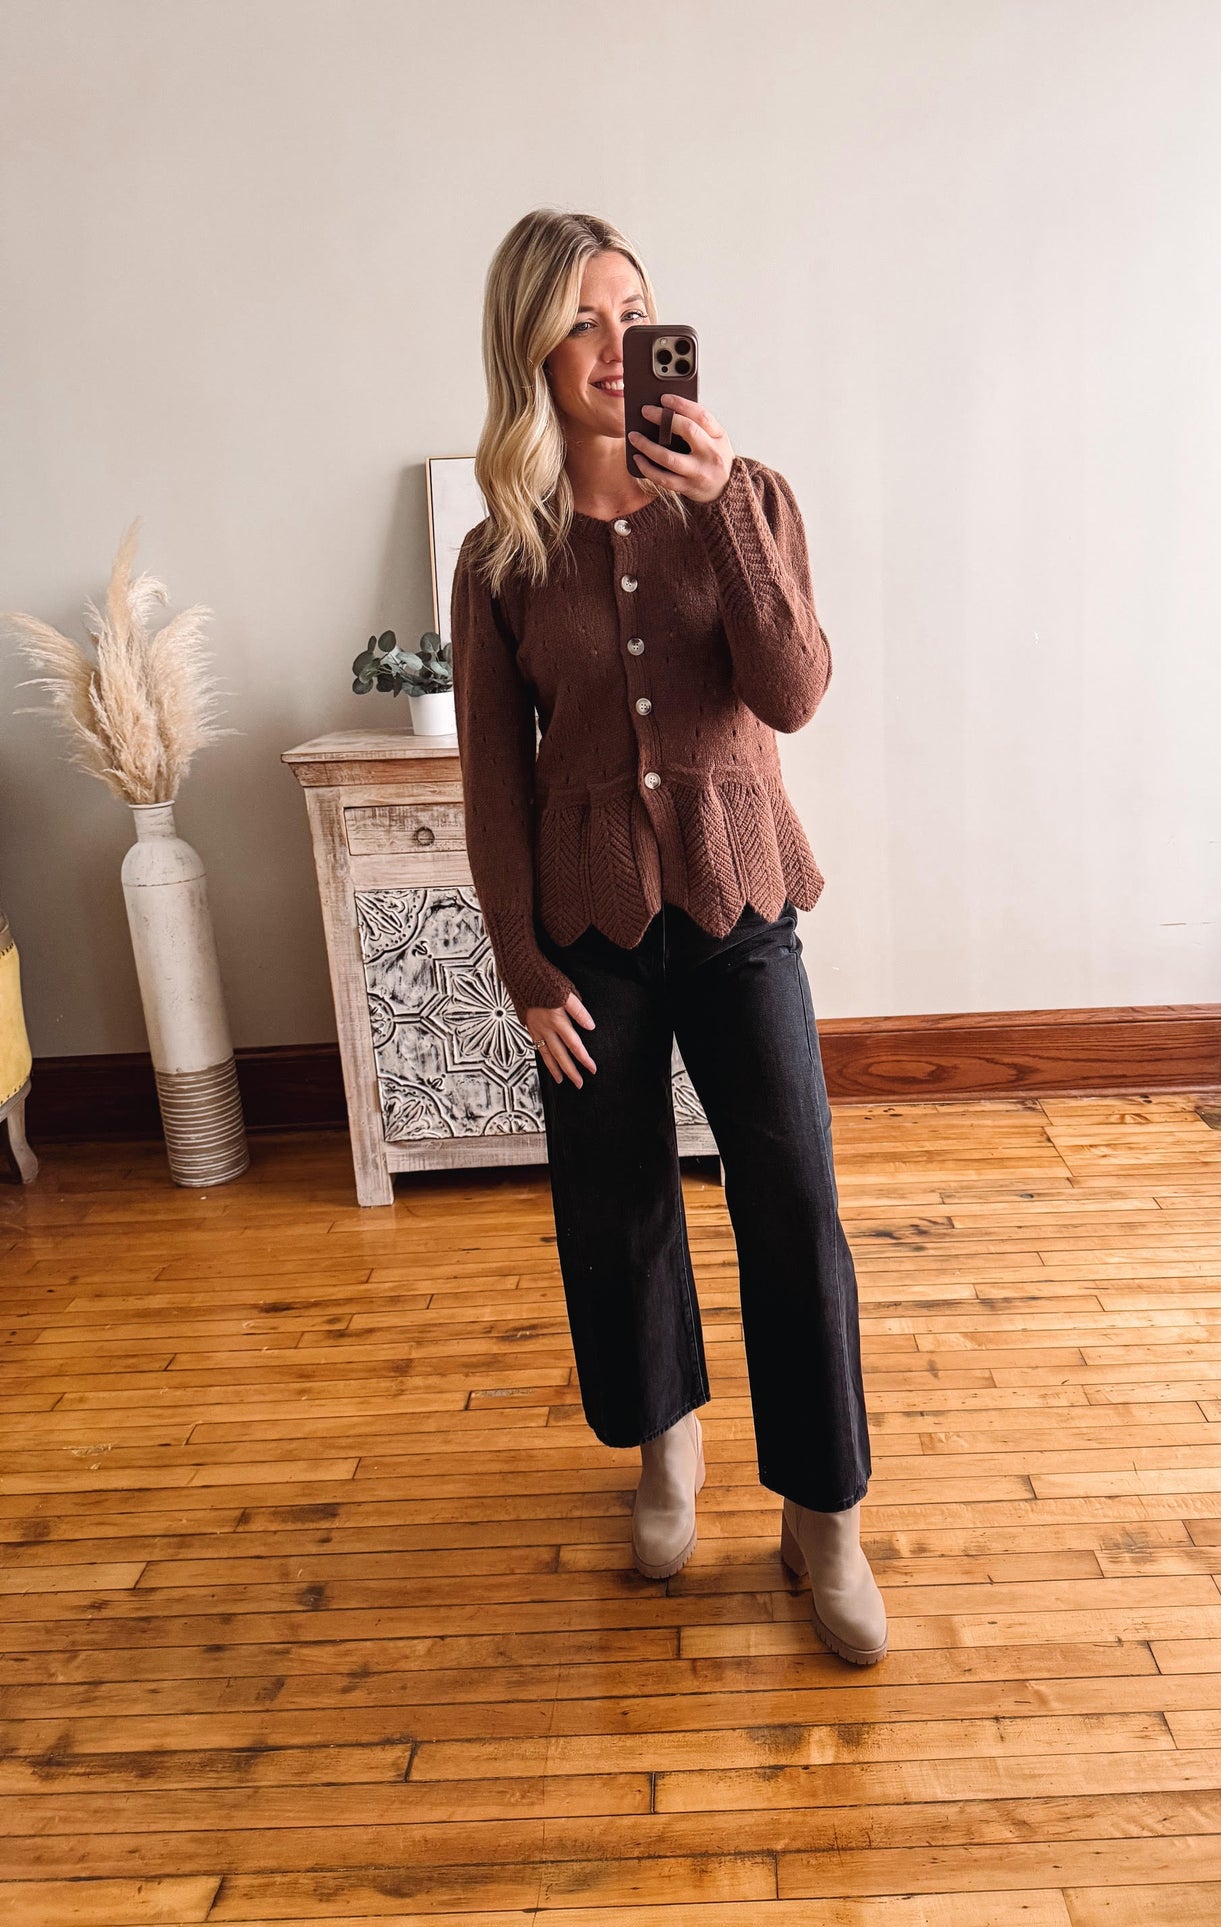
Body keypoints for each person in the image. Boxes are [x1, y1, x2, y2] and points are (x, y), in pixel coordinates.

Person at [451, 208, 886, 1665]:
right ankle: (664, 1446)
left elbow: (793, 689)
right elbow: (495, 782)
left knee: (792, 1206)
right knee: (614, 1200)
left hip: (741, 898)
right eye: (581, 321)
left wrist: (715, 513)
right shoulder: (496, 554)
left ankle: (822, 1511)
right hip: (587, 930)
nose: (614, 346)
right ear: (529, 348)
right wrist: (523, 968)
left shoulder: (746, 493)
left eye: (633, 313)